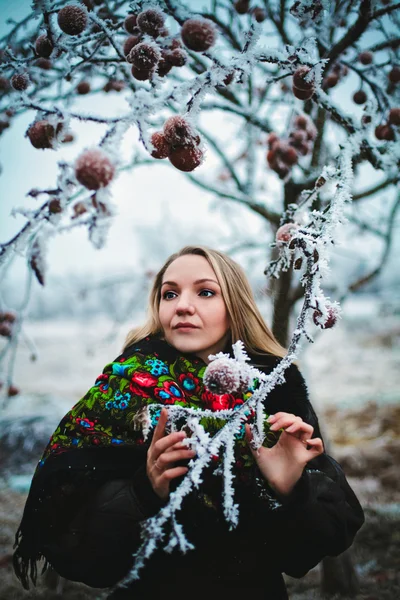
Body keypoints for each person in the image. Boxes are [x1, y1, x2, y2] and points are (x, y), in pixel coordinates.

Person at [13, 245, 365, 600]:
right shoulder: (125, 389)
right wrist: (143, 492)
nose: (182, 305)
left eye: (206, 292)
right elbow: (81, 556)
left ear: (235, 307)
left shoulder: (273, 393)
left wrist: (290, 488)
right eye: (170, 293)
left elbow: (316, 545)